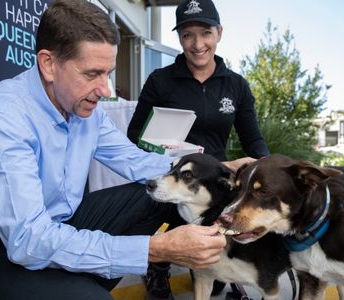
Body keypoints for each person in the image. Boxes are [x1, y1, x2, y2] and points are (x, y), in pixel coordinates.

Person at [0, 1, 242, 299]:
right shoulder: (2, 118)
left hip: (57, 225)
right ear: (49, 64)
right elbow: (27, 240)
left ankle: (71, 284)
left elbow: (137, 162)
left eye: (107, 74)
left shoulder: (86, 111)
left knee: (160, 192)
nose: (105, 90)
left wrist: (218, 170)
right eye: (92, 74)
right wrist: (156, 249)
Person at [127, 0, 269, 299]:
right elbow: (134, 135)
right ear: (179, 39)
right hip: (172, 174)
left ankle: (226, 272)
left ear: (219, 33)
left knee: (213, 280)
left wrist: (269, 170)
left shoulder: (236, 86)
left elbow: (254, 141)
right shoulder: (160, 81)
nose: (197, 44)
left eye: (205, 33)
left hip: (216, 182)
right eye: (187, 35)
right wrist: (164, 152)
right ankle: (157, 263)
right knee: (150, 205)